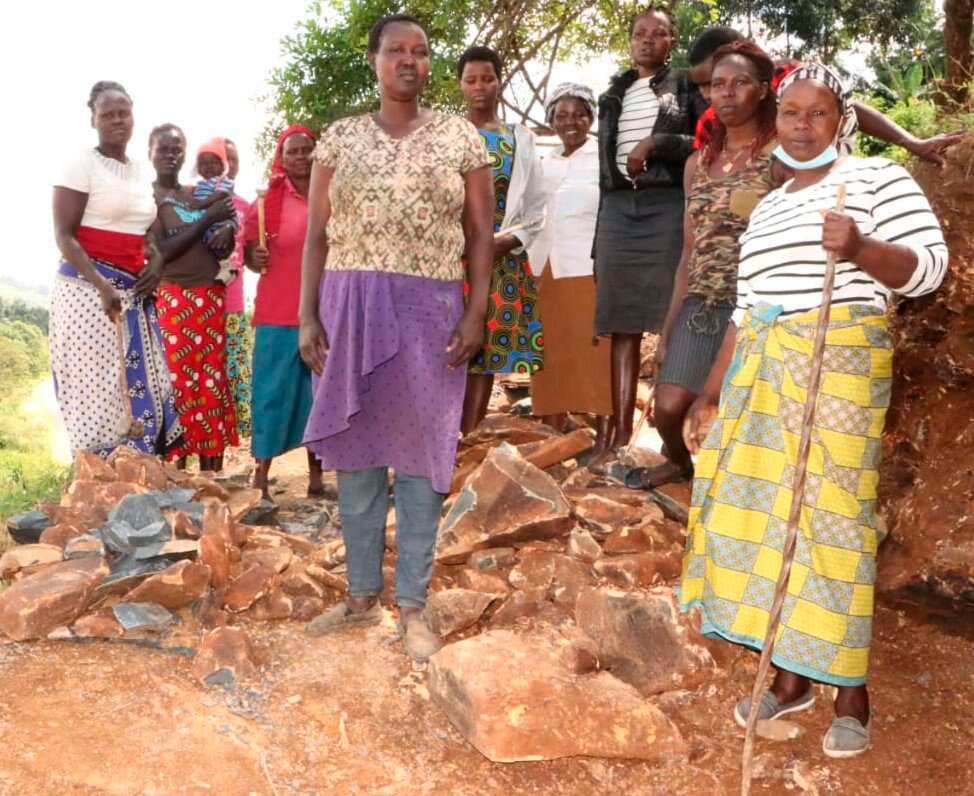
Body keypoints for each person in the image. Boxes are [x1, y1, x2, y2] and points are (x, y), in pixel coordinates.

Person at [680, 64, 948, 758]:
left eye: (818, 114)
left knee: (834, 521)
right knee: (772, 517)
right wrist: (711, 394)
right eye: (791, 114)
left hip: (840, 364)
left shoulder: (878, 181)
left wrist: (858, 247)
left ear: (843, 119)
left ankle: (851, 691)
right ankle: (793, 678)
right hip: (763, 373)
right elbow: (745, 312)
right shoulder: (767, 208)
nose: (802, 128)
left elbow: (928, 269)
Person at [298, 14, 493, 660]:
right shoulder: (339, 140)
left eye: (420, 52)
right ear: (374, 60)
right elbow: (317, 236)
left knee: (421, 460)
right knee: (355, 455)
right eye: (395, 51)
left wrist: (476, 313)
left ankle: (412, 604)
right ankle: (359, 596)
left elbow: (479, 232)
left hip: (430, 307)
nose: (408, 61)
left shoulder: (459, 139)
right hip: (350, 303)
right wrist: (307, 315)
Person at [629, 42, 784, 490]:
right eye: (719, 85)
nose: (728, 93)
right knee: (669, 408)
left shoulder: (778, 159)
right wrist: (668, 327)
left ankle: (736, 491)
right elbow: (688, 252)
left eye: (740, 83)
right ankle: (680, 464)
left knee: (734, 410)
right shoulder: (698, 163)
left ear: (761, 91)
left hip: (754, 309)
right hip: (701, 304)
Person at [591, 6, 703, 467]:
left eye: (658, 34)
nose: (648, 40)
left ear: (671, 42)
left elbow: (703, 141)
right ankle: (620, 435)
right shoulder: (613, 93)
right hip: (618, 208)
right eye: (640, 33)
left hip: (664, 203)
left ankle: (668, 435)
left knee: (670, 317)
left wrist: (655, 144)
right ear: (630, 39)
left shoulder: (683, 85)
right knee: (621, 322)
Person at [51, 81, 183, 457]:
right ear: (93, 119)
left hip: (134, 291)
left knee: (149, 385)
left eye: (123, 112)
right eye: (107, 114)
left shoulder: (141, 171)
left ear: (133, 116)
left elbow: (149, 230)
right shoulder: (81, 165)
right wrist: (101, 285)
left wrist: (156, 261)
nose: (116, 120)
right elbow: (64, 236)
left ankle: (138, 473)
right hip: (86, 292)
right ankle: (100, 482)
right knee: (98, 387)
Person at [687, 25, 966, 165]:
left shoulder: (790, 78)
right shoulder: (709, 126)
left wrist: (912, 142)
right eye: (706, 86)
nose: (710, 94)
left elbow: (849, 110)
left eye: (716, 80)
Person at [457, 45, 547, 434]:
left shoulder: (518, 138)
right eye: (471, 79)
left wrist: (503, 242)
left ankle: (466, 444)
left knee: (482, 358)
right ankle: (434, 452)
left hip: (498, 261)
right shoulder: (446, 135)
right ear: (460, 84)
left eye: (487, 78)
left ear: (499, 82)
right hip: (447, 263)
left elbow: (536, 208)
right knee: (441, 354)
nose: (480, 87)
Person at [527, 83, 613, 454]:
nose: (570, 122)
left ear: (591, 117)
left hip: (590, 265)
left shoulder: (603, 157)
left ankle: (605, 437)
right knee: (550, 352)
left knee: (597, 353)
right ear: (551, 121)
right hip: (545, 266)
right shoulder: (545, 163)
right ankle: (552, 435)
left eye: (579, 114)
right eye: (561, 116)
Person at [151, 124, 239, 472]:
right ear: (150, 152)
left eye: (177, 148)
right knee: (177, 383)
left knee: (210, 384)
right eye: (164, 148)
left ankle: (210, 478)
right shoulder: (150, 198)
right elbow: (163, 251)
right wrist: (207, 222)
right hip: (175, 298)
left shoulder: (197, 193)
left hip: (211, 299)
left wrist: (229, 228)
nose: (171, 154)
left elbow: (226, 235)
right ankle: (176, 474)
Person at [243, 125, 324, 499]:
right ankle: (261, 474)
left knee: (318, 394)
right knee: (271, 391)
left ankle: (317, 476)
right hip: (277, 308)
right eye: (292, 151)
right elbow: (247, 250)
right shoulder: (265, 204)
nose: (300, 157)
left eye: (307, 149)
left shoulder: (331, 194)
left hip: (324, 308)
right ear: (281, 157)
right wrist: (250, 255)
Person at [222, 137, 253, 439]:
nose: (228, 167)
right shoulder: (189, 201)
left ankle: (222, 457)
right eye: (222, 159)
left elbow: (254, 254)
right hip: (196, 306)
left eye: (233, 161)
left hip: (232, 306)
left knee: (233, 378)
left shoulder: (246, 207)